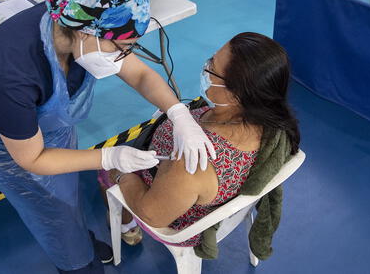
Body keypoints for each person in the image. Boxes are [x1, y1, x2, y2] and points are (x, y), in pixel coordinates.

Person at [0, 0, 215, 274]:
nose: (125, 56)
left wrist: (179, 113)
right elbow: (33, 158)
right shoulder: (11, 72)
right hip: (7, 140)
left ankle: (80, 240)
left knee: (67, 193)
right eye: (121, 47)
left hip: (48, 122)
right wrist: (110, 156)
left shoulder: (77, 23)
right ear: (85, 32)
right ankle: (75, 263)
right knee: (49, 210)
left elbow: (141, 74)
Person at [97, 32, 301, 248]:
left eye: (212, 67)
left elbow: (152, 215)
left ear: (236, 95)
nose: (206, 67)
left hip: (174, 208)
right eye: (212, 58)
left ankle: (126, 228)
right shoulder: (268, 119)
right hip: (200, 195)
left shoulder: (192, 164)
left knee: (104, 169)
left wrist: (120, 175)